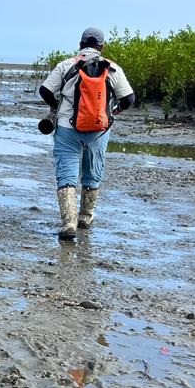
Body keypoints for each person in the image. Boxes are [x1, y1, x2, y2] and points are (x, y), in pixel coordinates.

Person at [38, 27, 134, 240]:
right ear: (102, 46)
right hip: (99, 130)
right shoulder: (112, 68)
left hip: (67, 127)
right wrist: (114, 111)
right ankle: (86, 217)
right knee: (93, 171)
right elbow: (129, 98)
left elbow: (44, 90)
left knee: (67, 173)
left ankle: (68, 223)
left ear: (80, 45)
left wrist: (56, 107)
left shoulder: (66, 65)